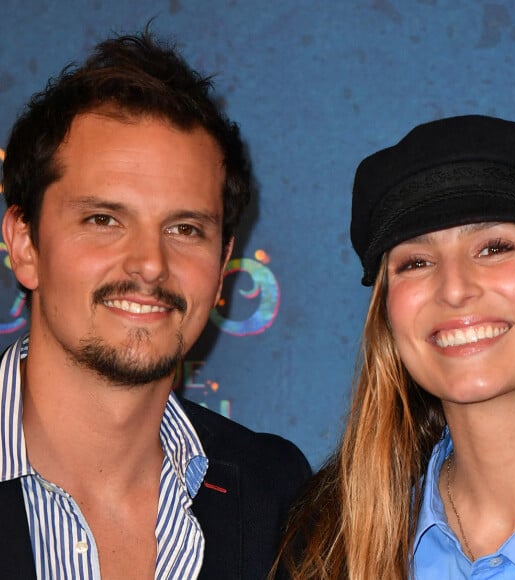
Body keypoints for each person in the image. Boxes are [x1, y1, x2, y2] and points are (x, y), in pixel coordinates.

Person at [0, 31, 311, 579]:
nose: (149, 263)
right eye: (103, 220)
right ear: (25, 245)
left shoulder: (274, 492)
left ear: (223, 264)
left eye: (185, 228)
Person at [272, 115, 515, 579]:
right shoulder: (325, 539)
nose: (454, 289)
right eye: (416, 261)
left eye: (494, 248)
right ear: (388, 316)